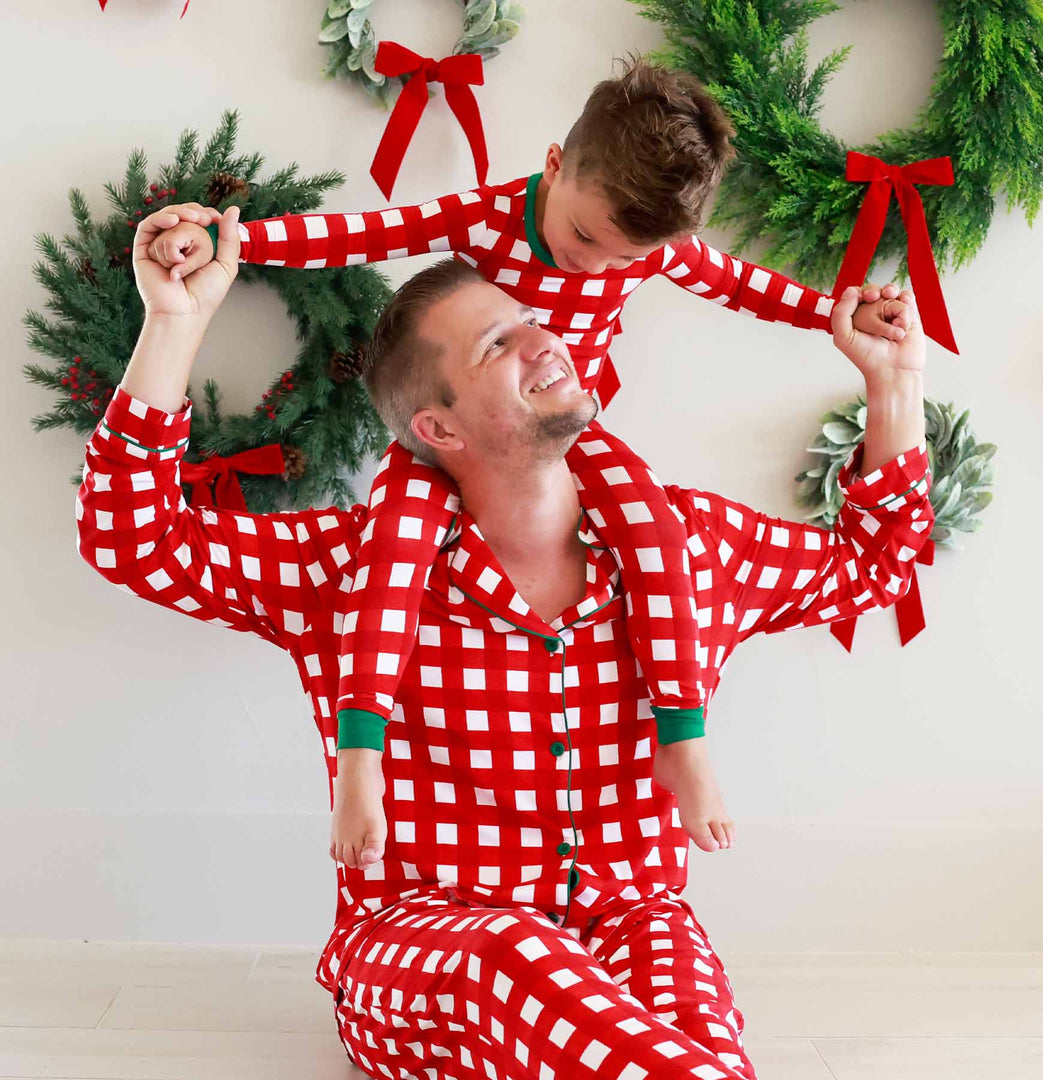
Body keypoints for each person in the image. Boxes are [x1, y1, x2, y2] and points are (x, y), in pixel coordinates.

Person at [77, 202, 932, 1079]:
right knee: (511, 956)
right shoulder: (350, 572)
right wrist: (174, 326)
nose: (543, 339)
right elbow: (129, 537)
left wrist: (892, 385)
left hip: (632, 927)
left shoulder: (686, 550)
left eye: (530, 321)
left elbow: (872, 568)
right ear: (437, 429)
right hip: (425, 948)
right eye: (497, 345)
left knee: (700, 1037)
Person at [141, 59, 908, 856]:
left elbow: (746, 287)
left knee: (657, 539)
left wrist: (837, 315)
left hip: (576, 432)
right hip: (462, 434)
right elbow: (364, 232)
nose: (596, 267)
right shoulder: (489, 217)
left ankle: (684, 737)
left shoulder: (652, 252)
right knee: (390, 557)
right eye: (583, 237)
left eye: (622, 258)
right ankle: (360, 757)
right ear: (552, 166)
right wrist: (237, 242)